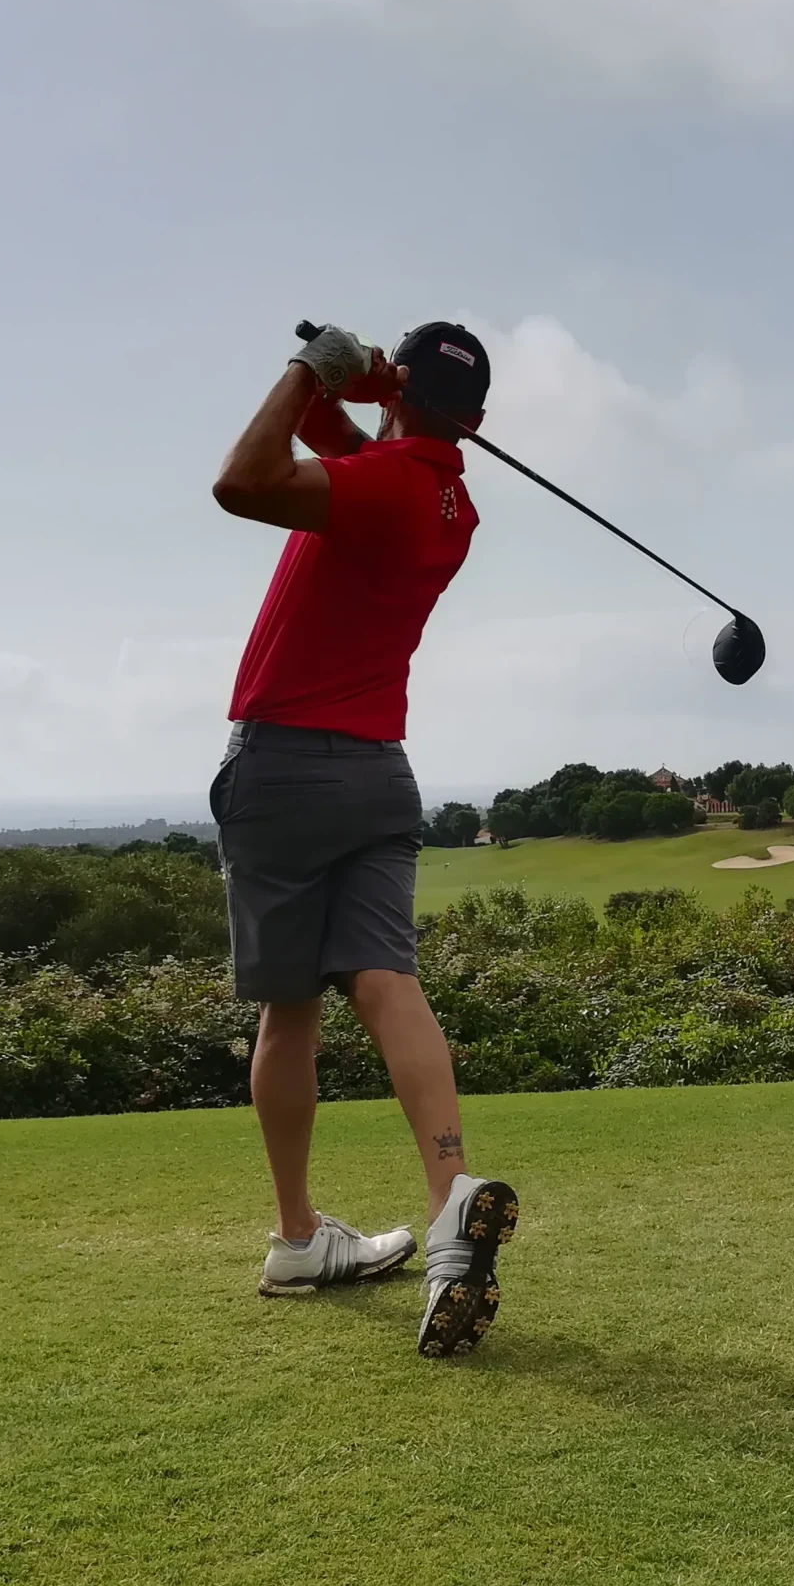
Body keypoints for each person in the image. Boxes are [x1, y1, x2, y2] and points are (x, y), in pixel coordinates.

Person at [207, 318, 517, 1359]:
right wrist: (370, 390)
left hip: (285, 766)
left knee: (289, 1011)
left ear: (401, 396)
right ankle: (449, 1201)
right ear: (474, 420)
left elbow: (242, 482)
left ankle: (299, 1238)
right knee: (387, 979)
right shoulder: (449, 503)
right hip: (381, 774)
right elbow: (356, 450)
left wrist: (308, 370)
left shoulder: (378, 482)